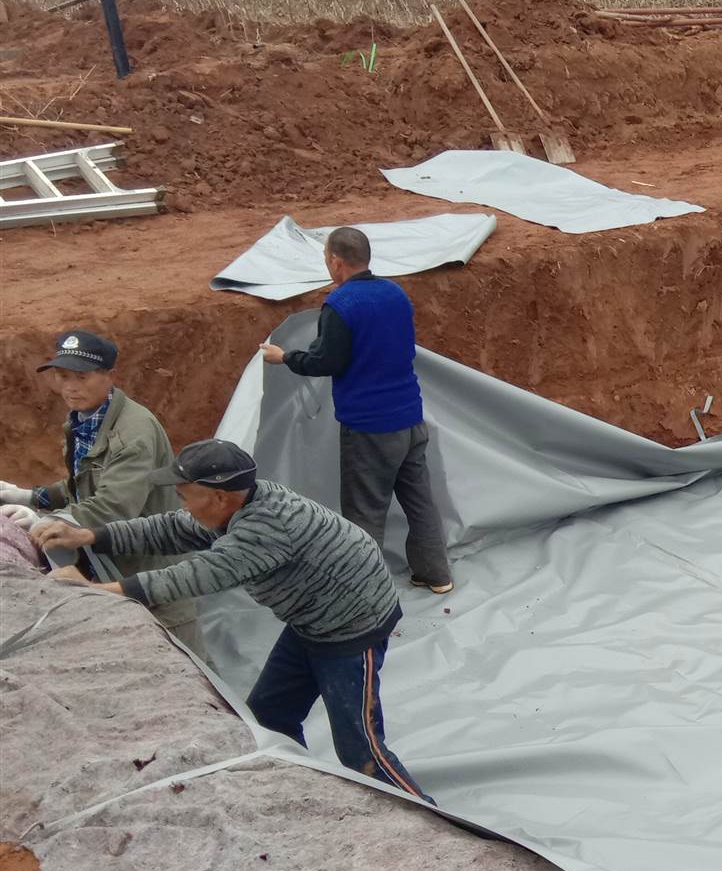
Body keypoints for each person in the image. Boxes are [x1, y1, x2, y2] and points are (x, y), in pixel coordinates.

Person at [36, 438, 432, 803]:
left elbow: (191, 577)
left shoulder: (265, 530)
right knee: (268, 720)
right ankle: (301, 794)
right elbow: (174, 529)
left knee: (361, 751)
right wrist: (88, 536)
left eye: (185, 495)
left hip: (351, 627)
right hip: (311, 621)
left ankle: (435, 825)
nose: (183, 504)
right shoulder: (241, 504)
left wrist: (92, 589)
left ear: (219, 496)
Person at [257, 226, 453, 594]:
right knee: (420, 501)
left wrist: (283, 357)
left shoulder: (341, 306)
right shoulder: (395, 293)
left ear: (336, 261)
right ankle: (437, 574)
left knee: (365, 512)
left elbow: (325, 360)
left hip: (369, 427)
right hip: (410, 417)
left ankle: (365, 591)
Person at [0, 328, 201, 650]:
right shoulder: (86, 419)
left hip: (149, 579)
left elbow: (114, 507)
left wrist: (44, 523)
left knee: (185, 671)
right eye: (63, 376)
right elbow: (83, 484)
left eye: (81, 376)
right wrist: (29, 496)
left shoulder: (133, 433)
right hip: (108, 568)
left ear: (109, 375)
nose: (70, 387)